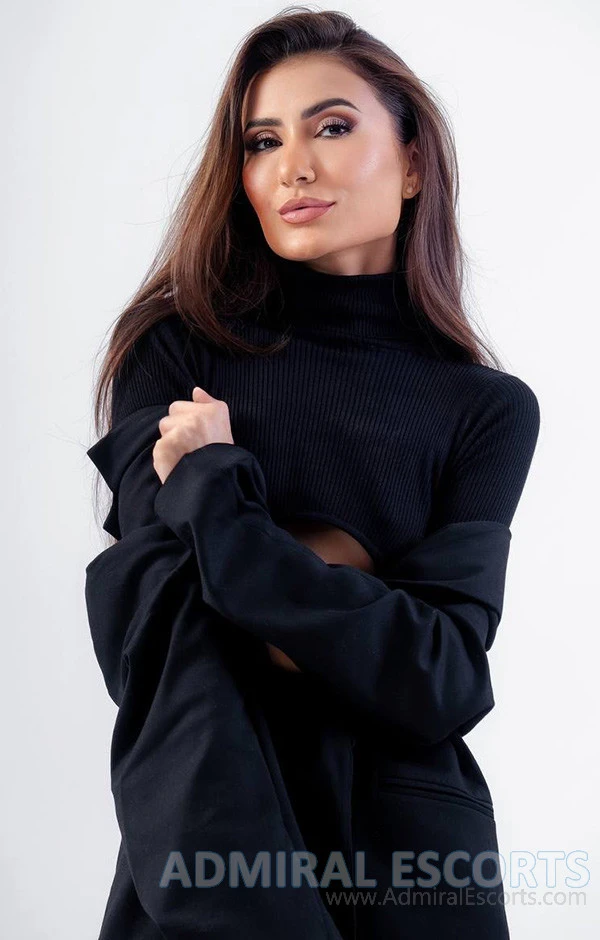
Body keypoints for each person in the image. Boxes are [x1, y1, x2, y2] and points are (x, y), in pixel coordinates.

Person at [85, 9, 541, 939]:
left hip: (414, 861)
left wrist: (216, 486)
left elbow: (445, 680)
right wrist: (355, 592)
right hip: (212, 834)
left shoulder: (486, 410)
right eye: (262, 142)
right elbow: (152, 625)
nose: (293, 166)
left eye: (331, 126)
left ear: (413, 163)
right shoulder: (172, 354)